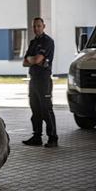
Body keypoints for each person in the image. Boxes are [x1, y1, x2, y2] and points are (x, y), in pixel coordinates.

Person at [22, 17, 58, 148]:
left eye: (38, 26)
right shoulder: (33, 42)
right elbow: (24, 62)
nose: (36, 28)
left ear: (44, 26)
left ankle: (53, 138)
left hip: (44, 80)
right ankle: (37, 137)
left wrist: (33, 60)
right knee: (35, 109)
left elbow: (35, 59)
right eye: (34, 26)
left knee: (46, 110)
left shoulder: (48, 41)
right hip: (34, 79)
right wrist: (34, 60)